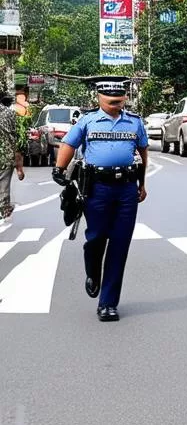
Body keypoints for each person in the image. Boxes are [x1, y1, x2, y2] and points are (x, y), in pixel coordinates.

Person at [52, 78, 148, 322]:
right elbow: (69, 144)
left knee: (119, 245)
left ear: (125, 96)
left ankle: (108, 303)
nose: (115, 99)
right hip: (97, 188)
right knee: (95, 239)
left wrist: (142, 183)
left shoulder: (135, 122)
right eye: (110, 96)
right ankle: (93, 271)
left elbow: (143, 151)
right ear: (99, 97)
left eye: (119, 96)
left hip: (126, 189)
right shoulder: (87, 121)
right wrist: (59, 169)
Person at [0, 92, 26, 219]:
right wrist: (19, 165)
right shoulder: (10, 113)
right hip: (6, 155)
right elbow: (16, 136)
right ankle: (4, 209)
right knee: (4, 184)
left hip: (6, 154)